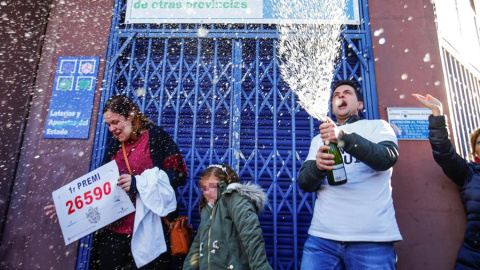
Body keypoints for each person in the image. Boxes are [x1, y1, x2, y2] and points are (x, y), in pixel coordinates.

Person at [44, 95, 187, 269]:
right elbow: (98, 188)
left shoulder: (156, 137)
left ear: (131, 116)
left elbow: (178, 174)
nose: (112, 129)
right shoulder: (114, 146)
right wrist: (68, 209)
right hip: (114, 234)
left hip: (149, 229)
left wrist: (139, 183)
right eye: (108, 125)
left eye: (116, 122)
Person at [298, 80, 402, 270]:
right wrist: (318, 168)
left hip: (372, 240)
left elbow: (386, 158)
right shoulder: (319, 139)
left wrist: (343, 138)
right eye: (336, 95)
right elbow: (305, 183)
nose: (340, 96)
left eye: (347, 93)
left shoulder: (378, 127)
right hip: (322, 240)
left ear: (359, 105)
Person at [413, 93, 480, 269]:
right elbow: (444, 153)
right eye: (479, 142)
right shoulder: (469, 173)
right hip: (474, 256)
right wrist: (437, 114)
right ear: (475, 151)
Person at [183, 164, 272, 270]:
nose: (207, 192)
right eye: (204, 188)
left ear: (224, 183)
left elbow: (251, 236)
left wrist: (260, 267)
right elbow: (198, 245)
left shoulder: (234, 198)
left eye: (212, 186)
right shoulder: (207, 210)